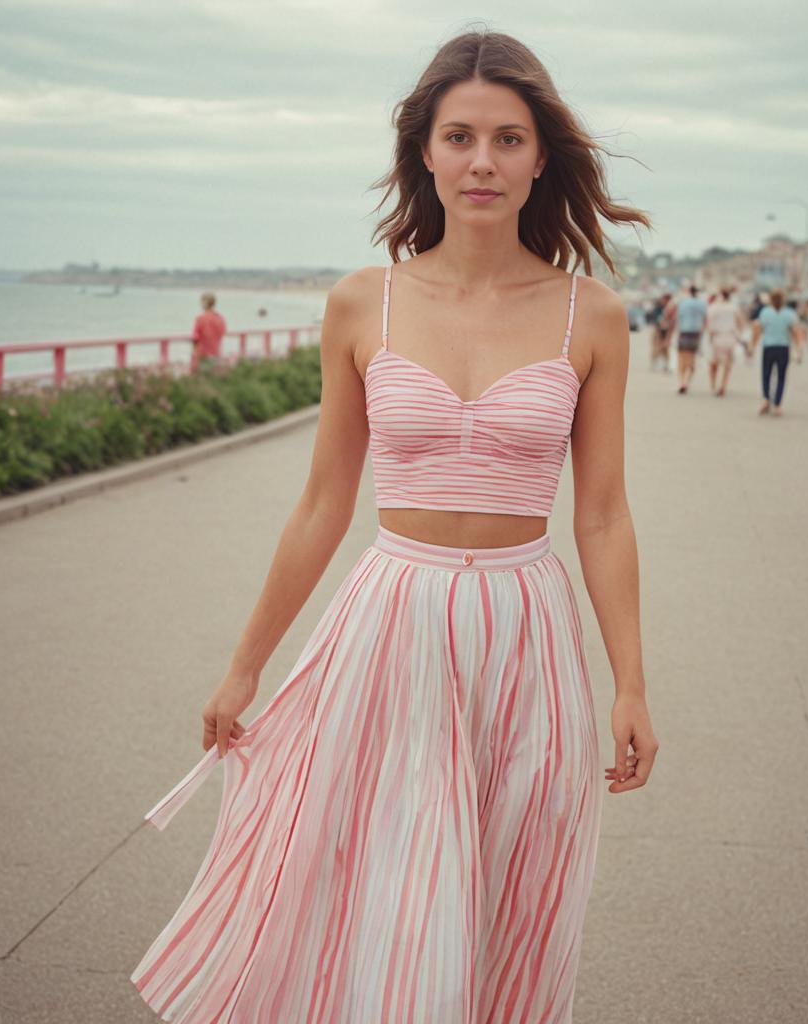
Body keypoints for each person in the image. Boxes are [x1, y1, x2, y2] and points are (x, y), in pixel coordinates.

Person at [130, 30, 660, 1023]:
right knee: (393, 887)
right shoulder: (357, 304)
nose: (482, 162)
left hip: (527, 631)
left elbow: (599, 512)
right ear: (424, 150)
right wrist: (246, 664)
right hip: (393, 623)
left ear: (541, 155)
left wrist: (630, 679)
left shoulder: (590, 316)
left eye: (508, 139)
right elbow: (325, 501)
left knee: (508, 889)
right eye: (459, 137)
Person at [748, 288, 803, 416]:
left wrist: (752, 346)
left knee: (766, 374)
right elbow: (796, 332)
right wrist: (799, 348)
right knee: (781, 376)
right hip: (783, 348)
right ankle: (777, 404)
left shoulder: (765, 312)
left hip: (768, 347)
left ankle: (766, 399)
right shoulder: (789, 313)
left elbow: (758, 330)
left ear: (771, 300)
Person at [705, 286, 745, 396]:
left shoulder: (713, 307)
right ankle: (723, 385)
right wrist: (738, 334)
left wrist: (709, 337)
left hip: (717, 337)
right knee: (727, 364)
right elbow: (741, 322)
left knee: (714, 363)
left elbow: (709, 324)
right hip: (730, 337)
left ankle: (713, 385)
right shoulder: (733, 307)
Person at [674, 283, 707, 394]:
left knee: (681, 360)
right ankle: (687, 381)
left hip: (684, 332)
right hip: (696, 333)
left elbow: (679, 319)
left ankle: (681, 382)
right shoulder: (702, 304)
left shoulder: (683, 303)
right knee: (691, 360)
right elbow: (704, 321)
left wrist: (677, 335)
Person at [190, 292, 226, 372]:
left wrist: (194, 353)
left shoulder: (200, 318)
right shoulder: (220, 318)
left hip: (203, 355)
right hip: (216, 353)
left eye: (202, 302)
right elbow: (223, 332)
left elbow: (195, 337)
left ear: (204, 303)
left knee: (202, 380)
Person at [650, 291, 673, 372]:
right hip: (658, 330)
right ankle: (654, 364)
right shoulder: (658, 308)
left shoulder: (670, 308)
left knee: (665, 349)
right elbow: (655, 318)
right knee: (657, 348)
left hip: (666, 331)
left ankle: (665, 365)